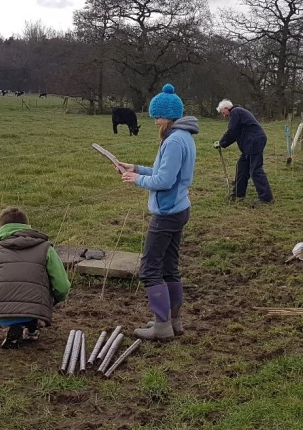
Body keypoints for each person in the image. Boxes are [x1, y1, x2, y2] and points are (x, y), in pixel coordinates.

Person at [116, 84, 199, 340]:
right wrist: (137, 168)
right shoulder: (183, 136)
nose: (154, 121)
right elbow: (165, 173)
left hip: (167, 214)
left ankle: (161, 325)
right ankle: (173, 322)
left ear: (169, 115)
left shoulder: (174, 141)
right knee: (169, 268)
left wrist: (135, 180)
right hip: (178, 209)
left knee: (150, 269)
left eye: (158, 116)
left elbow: (164, 181)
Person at [0, 206, 70, 349]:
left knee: (19, 286)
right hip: (33, 307)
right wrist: (58, 297)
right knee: (35, 289)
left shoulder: (0, 251)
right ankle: (31, 329)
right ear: (27, 225)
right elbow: (62, 285)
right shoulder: (45, 248)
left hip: (1, 310)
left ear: (1, 227)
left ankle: (16, 326)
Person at [214, 99, 274, 205]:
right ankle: (238, 193)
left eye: (223, 113)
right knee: (242, 167)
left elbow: (232, 130)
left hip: (254, 142)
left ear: (227, 109)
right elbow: (236, 133)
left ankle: (266, 198)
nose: (224, 116)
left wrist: (222, 142)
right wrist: (222, 143)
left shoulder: (235, 112)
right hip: (251, 143)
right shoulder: (239, 112)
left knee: (255, 169)